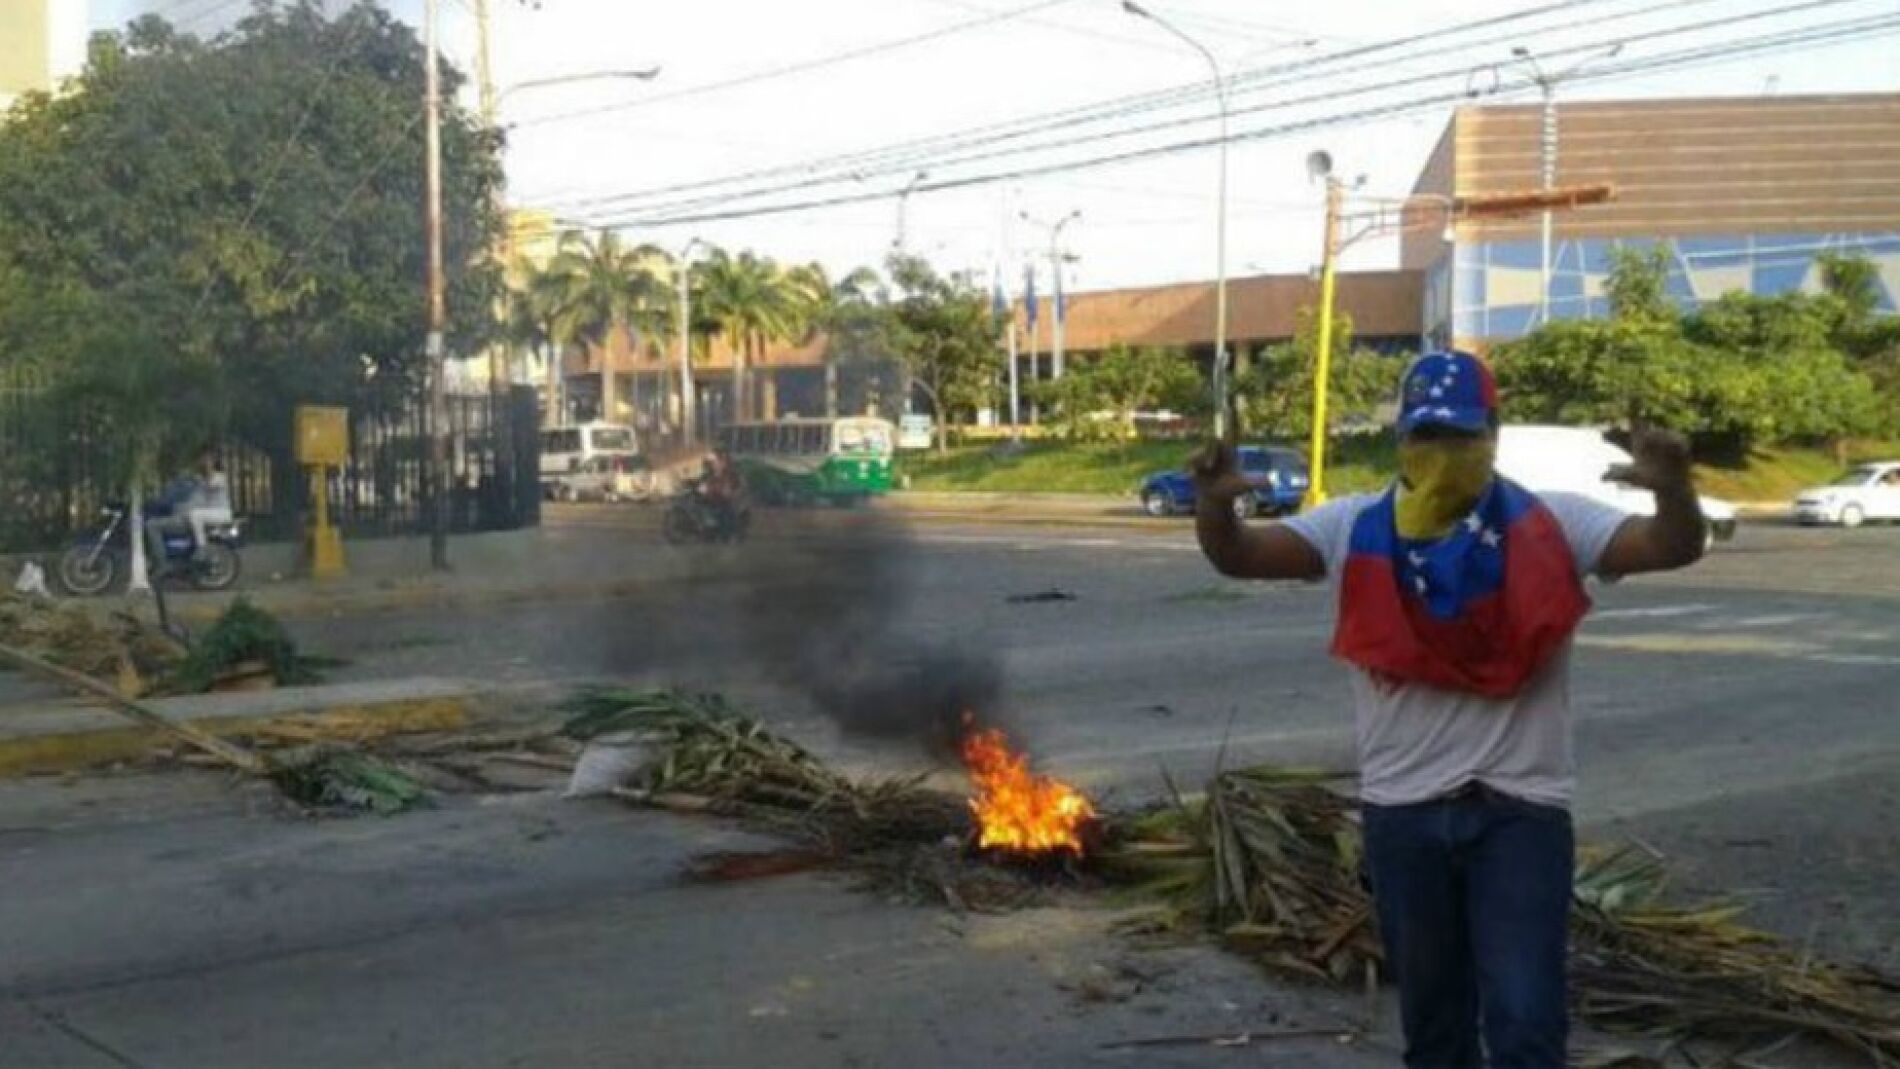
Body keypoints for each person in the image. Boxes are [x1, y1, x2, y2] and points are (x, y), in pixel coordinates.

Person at [1191, 351, 1707, 1069]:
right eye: (1427, 435)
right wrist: (1215, 504)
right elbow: (1241, 555)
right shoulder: (1353, 527)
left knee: (1526, 1023)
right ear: (1402, 438)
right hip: (1403, 815)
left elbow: (1671, 545)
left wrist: (1675, 490)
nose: (1444, 452)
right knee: (1434, 1030)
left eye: (1462, 436)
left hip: (1519, 814)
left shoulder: (1552, 522)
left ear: (1493, 434)